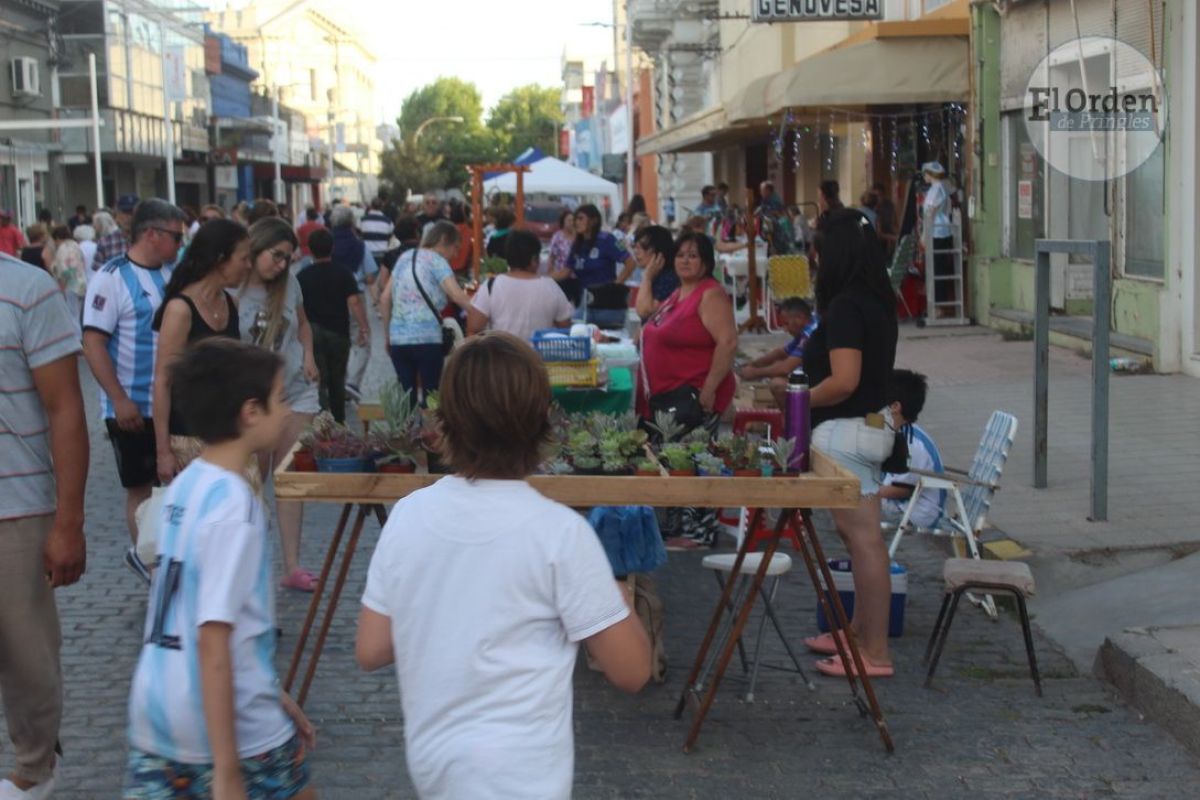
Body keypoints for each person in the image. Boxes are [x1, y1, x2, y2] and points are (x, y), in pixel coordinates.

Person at [355, 332, 650, 799]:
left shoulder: (409, 515)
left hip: (436, 769)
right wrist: (614, 596)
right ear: (542, 422)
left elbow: (371, 648)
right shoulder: (559, 534)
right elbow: (633, 671)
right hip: (524, 775)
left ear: (444, 420)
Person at [124, 339, 317, 800]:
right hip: (229, 726)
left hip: (156, 709)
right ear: (251, 412)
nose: (288, 411)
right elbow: (213, 636)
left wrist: (274, 691)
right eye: (281, 399)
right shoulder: (235, 504)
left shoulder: (188, 484)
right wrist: (227, 768)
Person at [0, 252, 88, 800]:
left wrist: (69, 522)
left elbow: (65, 409)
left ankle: (36, 770)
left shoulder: (28, 289)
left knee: (26, 651)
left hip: (17, 502)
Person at [801, 208, 899, 679]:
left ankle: (875, 651)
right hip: (871, 428)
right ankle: (859, 633)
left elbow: (843, 381)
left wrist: (797, 400)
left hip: (847, 429)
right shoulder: (876, 300)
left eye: (818, 248)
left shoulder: (845, 307)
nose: (814, 258)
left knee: (864, 541)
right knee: (861, 538)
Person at [82, 198, 186, 580]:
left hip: (173, 403)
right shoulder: (110, 279)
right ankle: (151, 565)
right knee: (141, 489)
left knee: (175, 483)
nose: (181, 244)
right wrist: (119, 399)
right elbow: (92, 343)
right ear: (152, 234)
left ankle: (168, 558)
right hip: (132, 407)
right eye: (177, 236)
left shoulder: (173, 275)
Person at [636, 232, 738, 548]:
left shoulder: (710, 295)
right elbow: (643, 312)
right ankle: (678, 527)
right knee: (675, 461)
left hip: (694, 397)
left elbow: (728, 342)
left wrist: (709, 390)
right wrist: (649, 275)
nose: (685, 260)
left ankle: (699, 532)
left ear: (706, 261)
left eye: (693, 255)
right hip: (669, 399)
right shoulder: (679, 293)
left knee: (693, 461)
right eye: (681, 254)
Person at [238, 218, 321, 592]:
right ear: (256, 248)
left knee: (291, 479)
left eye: (288, 258)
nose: (282, 265)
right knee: (252, 480)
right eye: (277, 256)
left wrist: (308, 355)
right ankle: (246, 564)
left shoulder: (291, 285)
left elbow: (303, 325)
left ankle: (291, 564)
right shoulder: (231, 289)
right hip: (251, 400)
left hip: (295, 390)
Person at [151, 219, 250, 487]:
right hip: (188, 438)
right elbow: (162, 381)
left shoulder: (232, 302)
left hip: (229, 437)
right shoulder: (181, 309)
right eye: (243, 258)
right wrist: (163, 452)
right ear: (221, 259)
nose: (248, 265)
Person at [380, 221, 472, 405]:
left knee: (406, 400)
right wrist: (482, 311)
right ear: (444, 240)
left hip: (399, 340)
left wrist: (388, 336)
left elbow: (384, 299)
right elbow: (456, 295)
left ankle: (407, 433)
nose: (455, 255)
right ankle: (431, 433)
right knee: (432, 398)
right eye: (455, 248)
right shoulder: (437, 261)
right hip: (427, 339)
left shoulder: (405, 258)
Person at [297, 228, 368, 424]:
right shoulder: (343, 273)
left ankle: (321, 418)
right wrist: (363, 328)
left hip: (313, 333)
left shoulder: (302, 276)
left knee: (317, 379)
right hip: (338, 333)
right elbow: (354, 302)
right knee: (338, 379)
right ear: (332, 248)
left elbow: (298, 307)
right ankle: (338, 420)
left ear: (310, 250)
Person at [467, 229, 573, 341]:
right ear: (534, 259)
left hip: (502, 355)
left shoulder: (492, 285)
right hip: (539, 357)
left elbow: (474, 327)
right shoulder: (550, 286)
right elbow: (565, 327)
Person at [879, 369, 945, 529]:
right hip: (904, 505)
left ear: (894, 407)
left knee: (855, 509)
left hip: (916, 513)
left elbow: (902, 490)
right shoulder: (900, 431)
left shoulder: (912, 444)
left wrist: (860, 492)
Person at [329, 205, 378, 403]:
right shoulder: (359, 246)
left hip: (330, 297)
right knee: (362, 339)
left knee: (338, 339)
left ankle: (337, 382)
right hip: (355, 297)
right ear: (352, 223)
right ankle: (352, 382)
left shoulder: (327, 243)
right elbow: (370, 277)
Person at [737, 297, 815, 407]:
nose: (785, 329)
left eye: (786, 324)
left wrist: (755, 372)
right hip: (815, 375)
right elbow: (782, 352)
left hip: (821, 382)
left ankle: (791, 420)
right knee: (776, 365)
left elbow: (785, 368)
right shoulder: (807, 327)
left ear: (800, 318)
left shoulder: (810, 333)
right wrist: (754, 364)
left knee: (777, 384)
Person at [560, 204, 636, 307]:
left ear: (593, 221)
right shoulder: (577, 245)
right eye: (575, 219)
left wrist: (615, 286)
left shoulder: (607, 239)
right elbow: (565, 272)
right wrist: (542, 278)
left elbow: (630, 263)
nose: (576, 222)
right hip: (585, 300)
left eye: (581, 218)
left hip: (606, 302)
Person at [922, 161, 955, 312]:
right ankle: (938, 304)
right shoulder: (943, 188)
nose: (924, 177)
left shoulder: (936, 189)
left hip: (936, 231)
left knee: (936, 268)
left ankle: (938, 305)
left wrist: (925, 233)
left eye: (925, 173)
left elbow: (931, 212)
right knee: (938, 267)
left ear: (930, 174)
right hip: (943, 230)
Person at [49, 225, 88, 330]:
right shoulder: (75, 245)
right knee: (79, 314)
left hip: (70, 285)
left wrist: (61, 286)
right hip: (82, 282)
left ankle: (77, 339)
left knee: (72, 315)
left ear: (57, 238)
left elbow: (63, 269)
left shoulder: (62, 249)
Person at [631, 224, 678, 306]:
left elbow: (644, 311)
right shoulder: (655, 274)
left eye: (643, 247)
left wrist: (647, 278)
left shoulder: (669, 279)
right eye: (635, 247)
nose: (636, 252)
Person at [92, 194, 138, 270]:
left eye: (132, 212)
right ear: (117, 215)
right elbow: (98, 274)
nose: (129, 217)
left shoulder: (149, 240)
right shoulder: (105, 242)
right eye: (124, 212)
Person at [360, 197, 394, 265]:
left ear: (371, 206)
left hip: (367, 254)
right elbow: (391, 237)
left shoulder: (362, 220)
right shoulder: (388, 222)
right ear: (382, 207)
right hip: (383, 254)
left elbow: (359, 235)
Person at [547, 208, 574, 276]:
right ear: (563, 222)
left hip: (576, 276)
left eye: (573, 220)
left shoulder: (578, 237)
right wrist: (551, 274)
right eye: (569, 220)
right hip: (561, 275)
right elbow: (551, 257)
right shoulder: (557, 237)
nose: (571, 223)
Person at [447, 203, 473, 273]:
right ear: (467, 216)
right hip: (463, 272)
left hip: (445, 271)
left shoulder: (445, 231)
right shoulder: (471, 233)